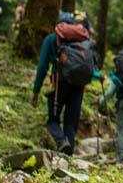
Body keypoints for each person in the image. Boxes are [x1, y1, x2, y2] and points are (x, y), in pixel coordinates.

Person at [32, 12, 97, 156]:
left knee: (53, 121)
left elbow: (42, 66)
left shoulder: (51, 39)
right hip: (79, 85)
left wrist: (35, 91)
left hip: (59, 83)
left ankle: (62, 142)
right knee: (70, 123)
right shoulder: (82, 40)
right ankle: (68, 157)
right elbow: (92, 64)